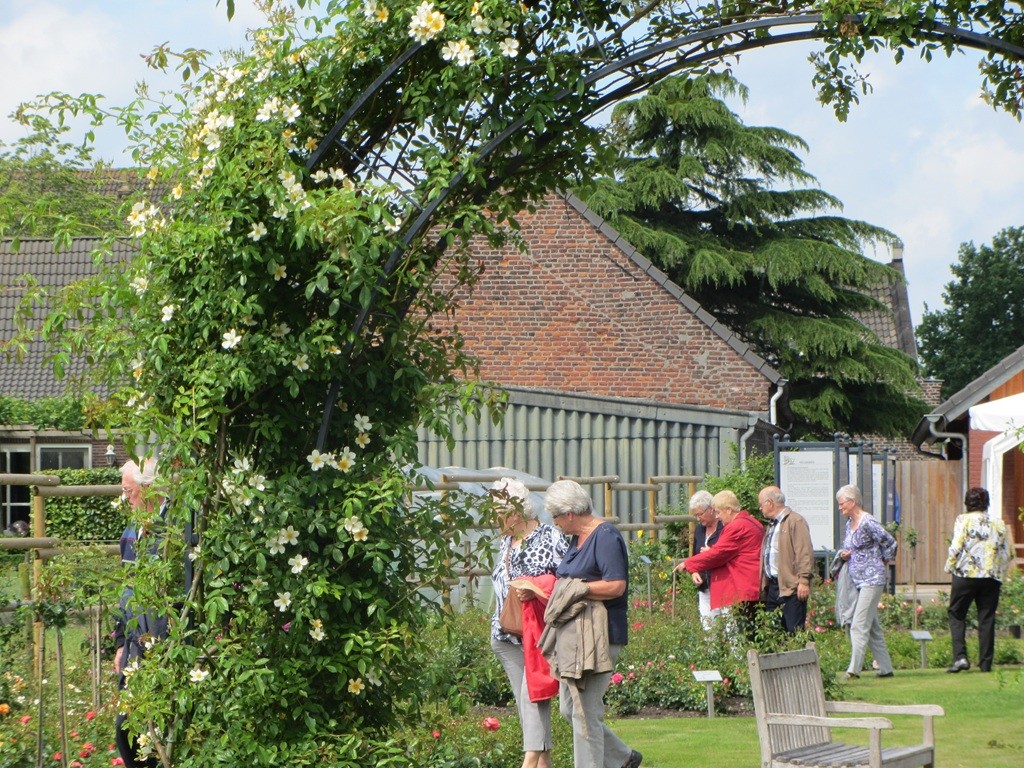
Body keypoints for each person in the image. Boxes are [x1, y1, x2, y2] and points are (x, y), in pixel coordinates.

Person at [542, 480, 642, 768]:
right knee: (569, 708)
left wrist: (578, 589)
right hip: (576, 635)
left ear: (570, 513)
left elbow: (616, 585)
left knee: (585, 712)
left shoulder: (605, 536)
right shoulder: (577, 539)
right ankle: (623, 758)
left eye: (556, 516)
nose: (555, 523)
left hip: (599, 634)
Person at [489, 477, 567, 768]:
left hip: (537, 634)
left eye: (498, 513)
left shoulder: (550, 537)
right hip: (506, 636)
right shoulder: (506, 542)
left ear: (515, 512)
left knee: (532, 698)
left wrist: (536, 588)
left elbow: (568, 581)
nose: (494, 519)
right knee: (527, 704)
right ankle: (542, 761)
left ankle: (529, 761)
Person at [113, 458, 165, 768]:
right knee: (125, 728)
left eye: (128, 491)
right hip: (134, 646)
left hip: (162, 646)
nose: (125, 498)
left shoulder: (172, 529)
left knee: (157, 731)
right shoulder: (131, 531)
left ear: (148, 489)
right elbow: (125, 590)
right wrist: (120, 642)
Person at [677, 490, 764, 636]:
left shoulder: (736, 526)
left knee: (737, 635)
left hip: (741, 585)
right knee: (742, 632)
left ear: (729, 510)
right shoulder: (751, 522)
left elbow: (718, 553)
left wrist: (688, 564)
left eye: (718, 512)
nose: (717, 516)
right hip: (743, 585)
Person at [944, 486, 1011, 673]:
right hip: (991, 576)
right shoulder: (998, 523)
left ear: (967, 503)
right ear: (986, 503)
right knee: (986, 618)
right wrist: (999, 570)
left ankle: (960, 658)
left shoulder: (963, 520)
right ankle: (985, 663)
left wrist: (949, 566)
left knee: (956, 614)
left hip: (966, 574)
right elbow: (1008, 553)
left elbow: (956, 546)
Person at [836, 484, 896, 680]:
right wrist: (845, 555)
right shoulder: (849, 524)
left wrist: (882, 561)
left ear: (852, 502)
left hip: (872, 580)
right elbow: (852, 547)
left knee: (858, 624)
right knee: (873, 628)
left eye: (842, 503)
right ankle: (886, 668)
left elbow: (890, 542)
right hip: (857, 581)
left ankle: (854, 670)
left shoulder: (868, 522)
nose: (839, 507)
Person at [758, 486, 814, 633]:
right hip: (773, 587)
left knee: (794, 631)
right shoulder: (772, 524)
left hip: (791, 587)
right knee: (773, 632)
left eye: (761, 504)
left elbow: (804, 552)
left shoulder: (795, 521)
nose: (760, 508)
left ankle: (806, 649)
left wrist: (803, 581)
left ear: (770, 503)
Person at [688, 490, 723, 629]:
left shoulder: (724, 527)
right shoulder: (699, 530)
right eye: (696, 515)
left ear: (711, 509)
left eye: (700, 514)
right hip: (704, 587)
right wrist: (694, 572)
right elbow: (695, 556)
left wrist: (712, 553)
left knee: (729, 629)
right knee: (708, 629)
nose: (698, 518)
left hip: (722, 585)